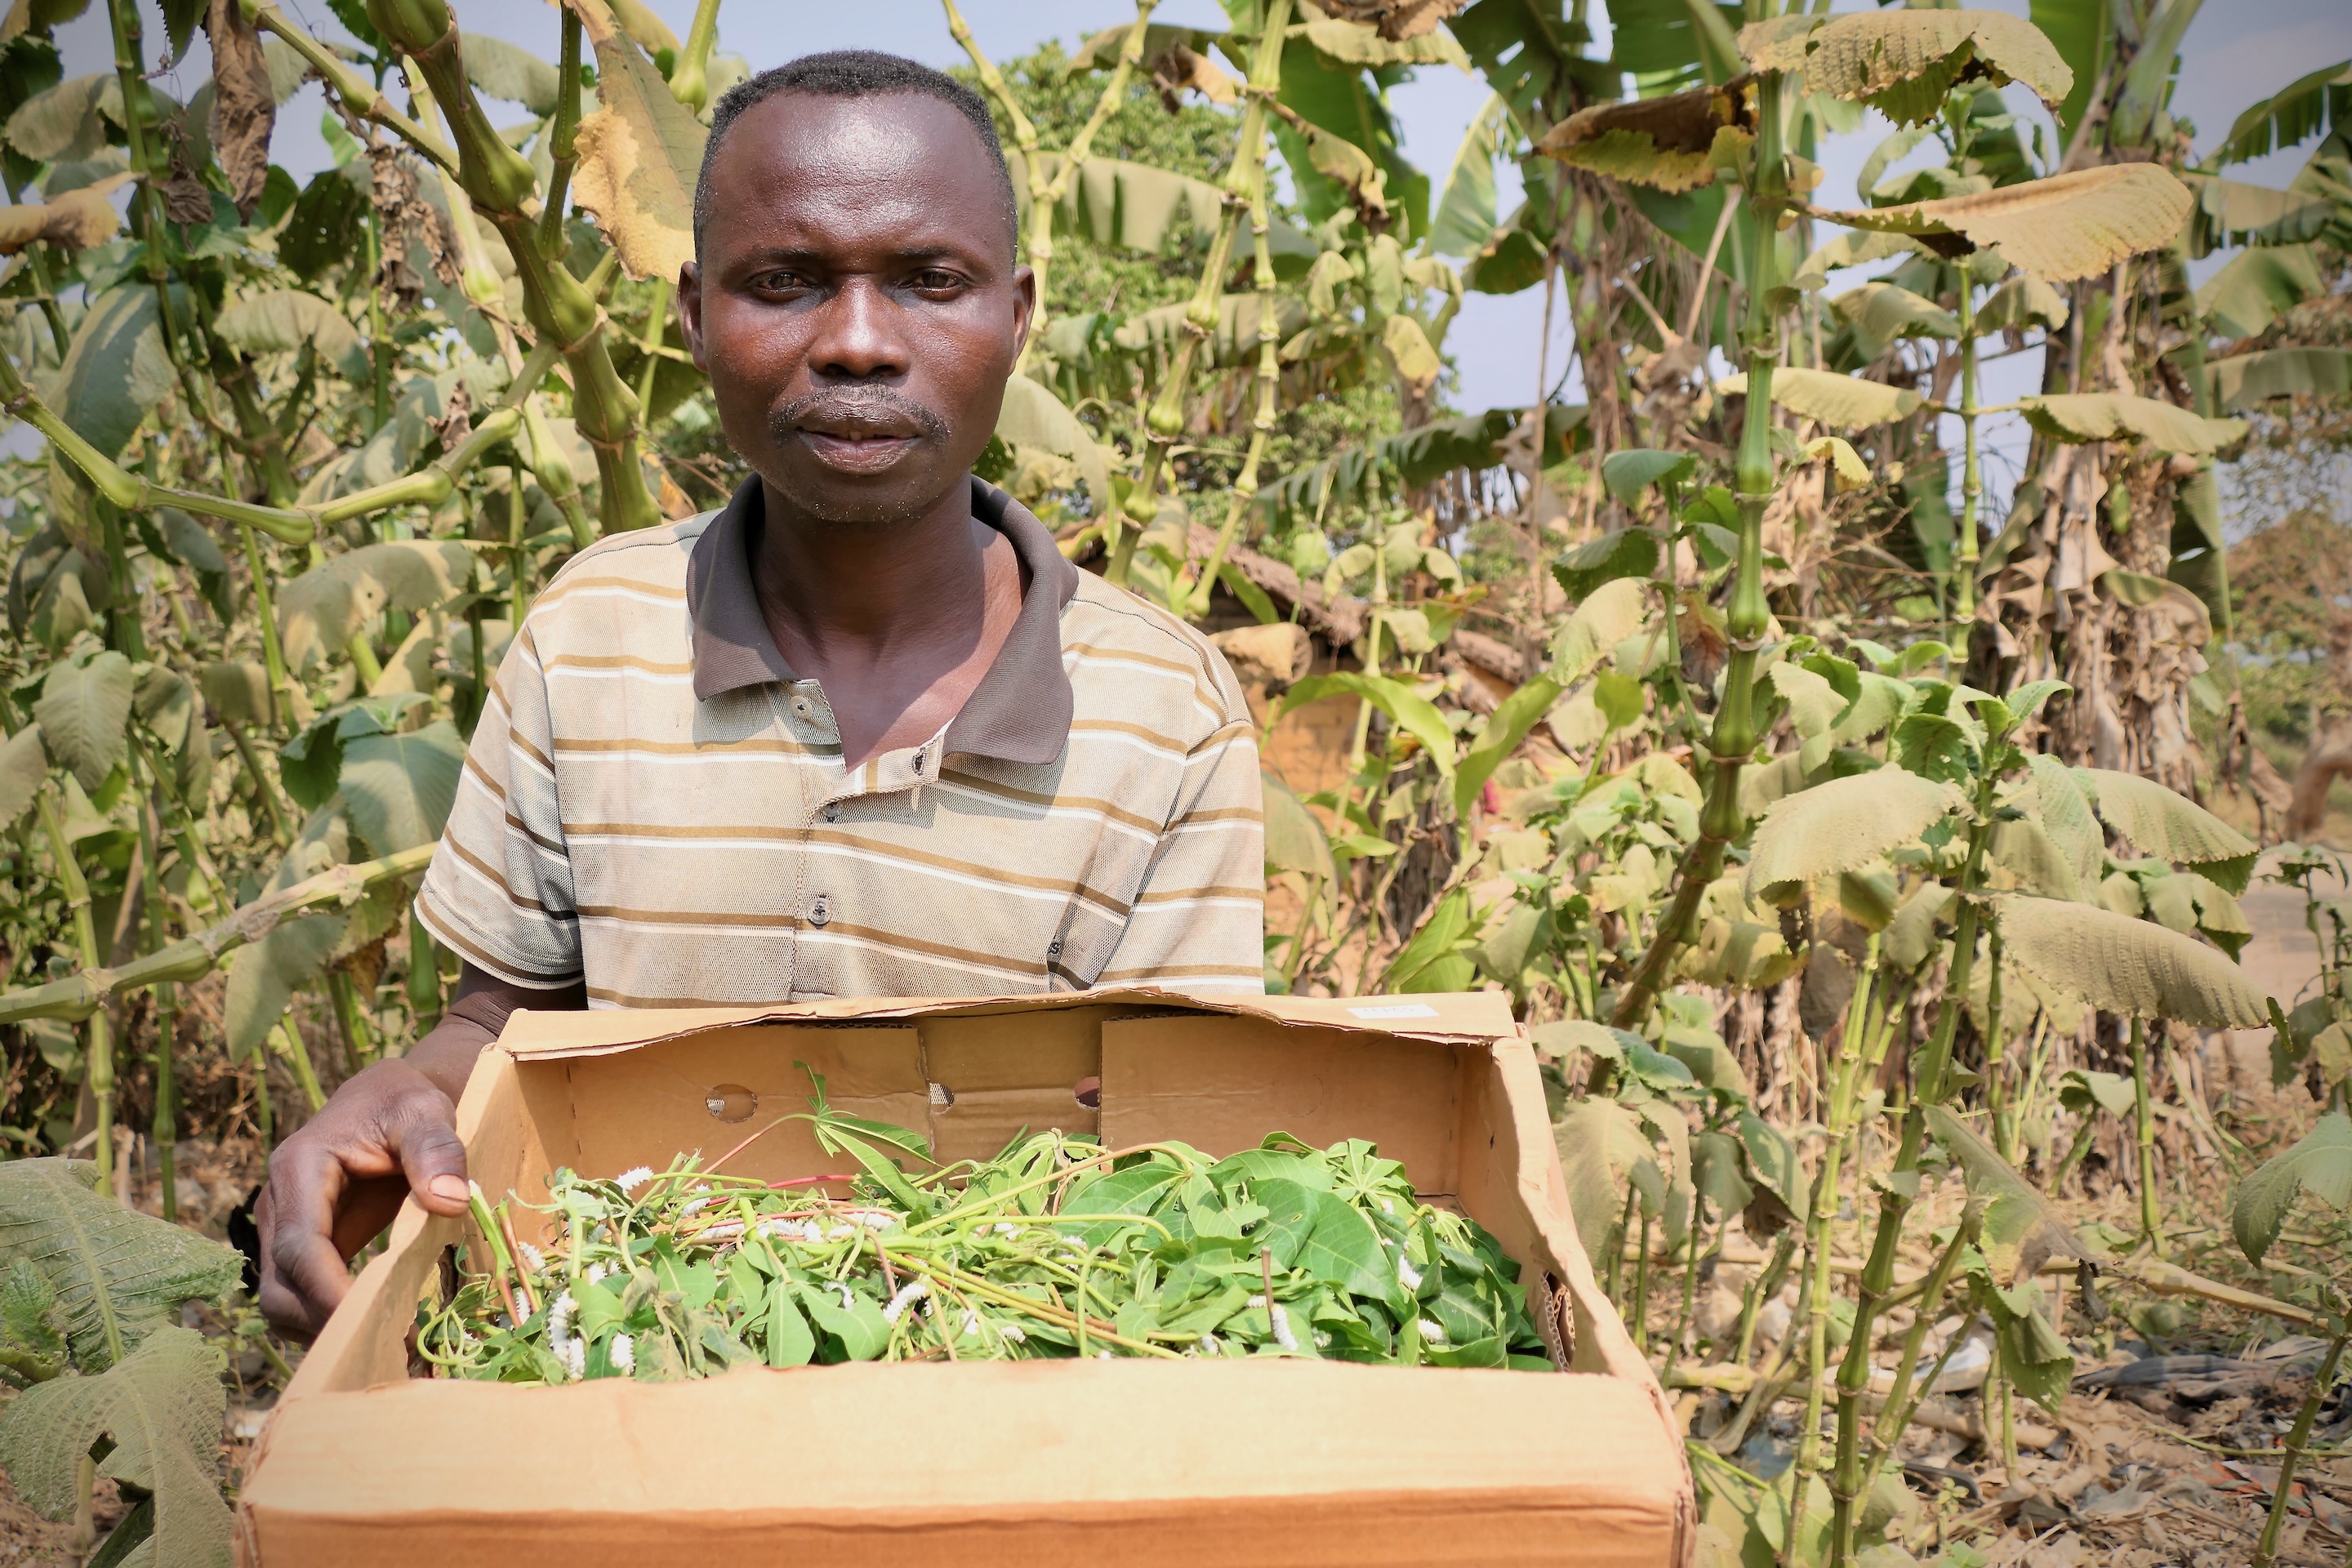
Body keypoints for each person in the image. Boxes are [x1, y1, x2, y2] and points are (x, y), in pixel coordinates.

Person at [256, 51, 1265, 1338]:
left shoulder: (1163, 712)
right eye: (784, 283)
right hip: (625, 1359)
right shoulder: (591, 639)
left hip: (1010, 1382)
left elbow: (1180, 1146)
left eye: (928, 281)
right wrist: (405, 1096)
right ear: (691, 311)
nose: (854, 341)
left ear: (1016, 315)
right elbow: (504, 1027)